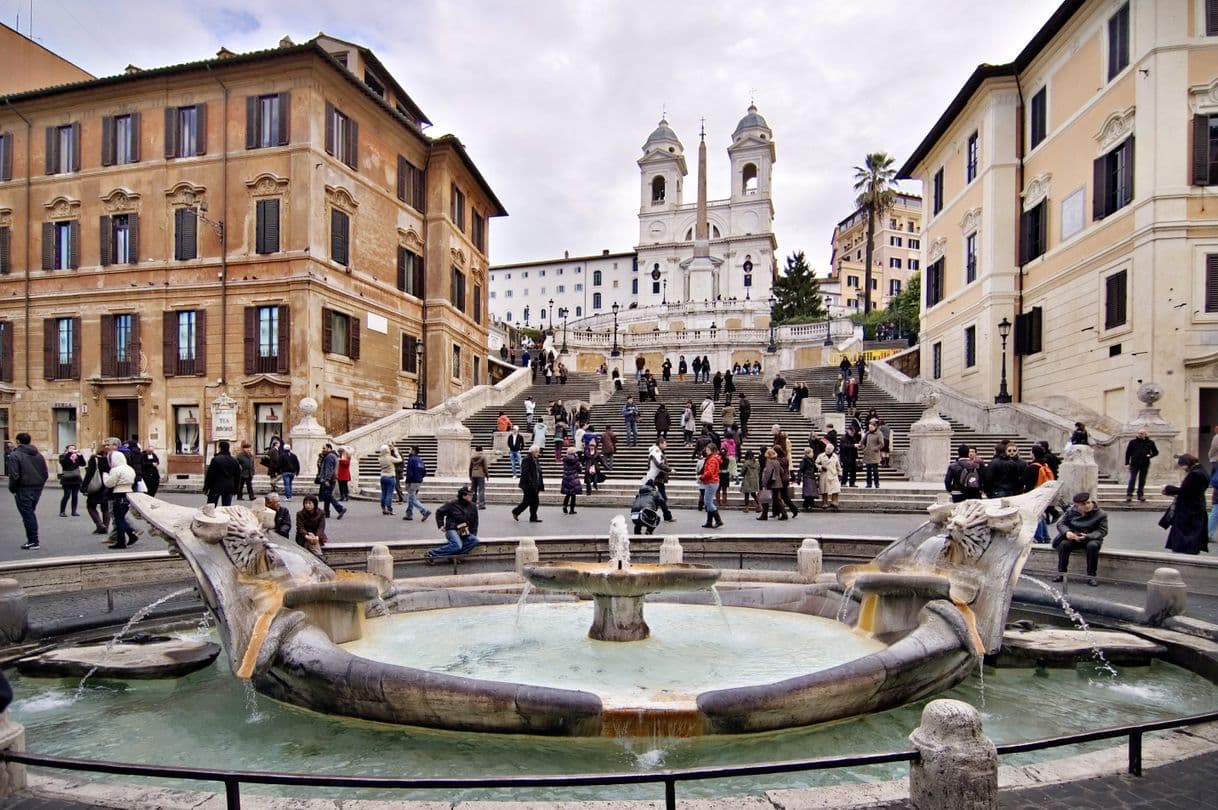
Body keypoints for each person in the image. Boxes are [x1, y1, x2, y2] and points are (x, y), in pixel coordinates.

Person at [1052, 492, 1107, 586]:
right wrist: (1067, 532)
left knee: (1092, 546)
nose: (1087, 506)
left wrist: (1088, 536)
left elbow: (1102, 531)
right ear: (1077, 505)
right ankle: (1061, 574)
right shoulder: (1071, 511)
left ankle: (1091, 576)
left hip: (1091, 539)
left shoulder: (1101, 514)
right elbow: (1061, 524)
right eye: (1083, 504)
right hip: (1074, 537)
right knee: (1064, 545)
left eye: (1089, 502)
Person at [7, 432, 49, 550]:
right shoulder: (38, 455)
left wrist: (13, 489)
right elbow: (45, 473)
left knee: (28, 514)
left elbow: (14, 475)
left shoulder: (15, 455)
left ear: (18, 441)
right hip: (37, 486)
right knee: (30, 512)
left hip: (23, 487)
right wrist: (40, 483)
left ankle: (33, 541)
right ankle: (33, 540)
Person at [1163, 454, 1210, 555]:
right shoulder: (1202, 471)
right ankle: (1189, 549)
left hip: (1189, 507)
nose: (1182, 468)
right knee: (1193, 530)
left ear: (1187, 463)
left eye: (1182, 465)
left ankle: (1185, 549)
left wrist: (1168, 488)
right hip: (1197, 504)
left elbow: (1185, 491)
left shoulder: (1195, 474)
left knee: (1186, 531)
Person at [101, 449, 140, 549]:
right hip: (129, 493)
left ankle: (121, 541)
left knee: (118, 519)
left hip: (119, 493)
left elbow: (109, 483)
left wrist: (105, 476)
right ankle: (131, 536)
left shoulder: (116, 470)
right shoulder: (130, 468)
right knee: (121, 518)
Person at [429, 486, 481, 561]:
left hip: (464, 530)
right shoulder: (452, 504)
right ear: (463, 495)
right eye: (470, 495)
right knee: (457, 545)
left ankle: (454, 556)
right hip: (452, 528)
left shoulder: (473, 506)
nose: (472, 496)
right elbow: (439, 512)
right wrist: (441, 525)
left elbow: (475, 522)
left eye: (472, 494)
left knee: (474, 540)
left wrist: (473, 533)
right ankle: (431, 554)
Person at [82, 438, 116, 535]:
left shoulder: (94, 459)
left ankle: (100, 525)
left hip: (96, 485)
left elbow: (89, 474)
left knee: (91, 506)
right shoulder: (111, 459)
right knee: (105, 507)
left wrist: (84, 487)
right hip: (107, 485)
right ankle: (105, 526)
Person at [1124, 429, 1159, 502]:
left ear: (1145, 434)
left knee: (1142, 480)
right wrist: (1127, 463)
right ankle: (1129, 494)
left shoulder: (1150, 442)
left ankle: (1140, 495)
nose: (1140, 434)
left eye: (1142, 433)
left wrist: (1150, 455)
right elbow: (1128, 453)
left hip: (1145, 463)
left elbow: (1156, 452)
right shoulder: (1132, 442)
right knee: (1132, 479)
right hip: (1134, 463)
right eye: (1139, 433)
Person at [203, 441, 241, 507]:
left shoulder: (215, 459)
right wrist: (236, 489)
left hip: (216, 486)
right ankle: (225, 517)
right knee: (226, 508)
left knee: (211, 507)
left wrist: (206, 488)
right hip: (229, 487)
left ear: (220, 448)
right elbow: (238, 476)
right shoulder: (234, 460)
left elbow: (210, 475)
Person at [512, 446, 545, 522]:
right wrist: (531, 482)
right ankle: (516, 511)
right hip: (528, 485)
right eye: (537, 452)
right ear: (533, 452)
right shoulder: (527, 459)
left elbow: (537, 471)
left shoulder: (535, 459)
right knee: (528, 501)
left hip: (535, 484)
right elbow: (525, 472)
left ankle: (533, 517)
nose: (538, 453)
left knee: (534, 502)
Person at [646, 438, 675, 522]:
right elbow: (659, 465)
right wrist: (670, 470)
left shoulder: (657, 451)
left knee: (661, 498)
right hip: (655, 479)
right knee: (661, 499)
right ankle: (664, 516)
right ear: (660, 443)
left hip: (657, 478)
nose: (666, 445)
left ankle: (665, 515)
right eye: (665, 443)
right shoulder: (656, 452)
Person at [316, 443, 347, 520]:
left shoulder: (329, 457)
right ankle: (326, 512)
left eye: (324, 448)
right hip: (332, 478)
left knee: (327, 494)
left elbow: (328, 469)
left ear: (329, 448)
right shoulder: (333, 456)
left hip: (329, 479)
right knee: (327, 496)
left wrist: (327, 479)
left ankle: (340, 508)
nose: (323, 450)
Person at [402, 446, 431, 521]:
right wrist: (419, 477)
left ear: (413, 451)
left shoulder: (411, 459)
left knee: (412, 498)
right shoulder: (420, 460)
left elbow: (409, 472)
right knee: (411, 497)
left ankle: (424, 511)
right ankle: (409, 514)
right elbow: (424, 472)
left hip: (412, 481)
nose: (409, 450)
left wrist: (407, 482)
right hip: (418, 481)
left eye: (410, 449)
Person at [758, 447, 786, 521]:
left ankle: (764, 515)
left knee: (766, 499)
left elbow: (768, 473)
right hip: (778, 482)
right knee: (778, 499)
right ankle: (784, 514)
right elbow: (782, 471)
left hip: (771, 483)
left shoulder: (769, 462)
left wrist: (764, 482)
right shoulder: (777, 461)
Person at [58, 444, 85, 517]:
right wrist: (69, 454)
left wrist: (80, 455)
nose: (73, 450)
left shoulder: (76, 457)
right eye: (71, 448)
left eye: (74, 448)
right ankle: (62, 511)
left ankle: (74, 511)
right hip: (67, 479)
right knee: (66, 495)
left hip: (76, 478)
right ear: (67, 449)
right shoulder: (63, 456)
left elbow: (83, 464)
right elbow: (64, 463)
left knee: (75, 496)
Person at [700, 443, 723, 528]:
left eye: (708, 450)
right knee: (709, 502)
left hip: (711, 482)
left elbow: (709, 472)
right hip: (712, 482)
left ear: (712, 450)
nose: (706, 451)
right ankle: (709, 522)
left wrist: (701, 477)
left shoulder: (712, 460)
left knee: (707, 502)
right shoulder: (712, 458)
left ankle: (718, 520)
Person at [816, 442, 843, 511]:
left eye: (829, 449)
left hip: (833, 474)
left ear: (832, 450)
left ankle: (834, 502)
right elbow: (816, 463)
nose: (828, 450)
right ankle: (825, 503)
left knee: (835, 489)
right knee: (824, 490)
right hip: (824, 474)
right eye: (827, 448)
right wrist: (821, 467)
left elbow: (838, 466)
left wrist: (840, 474)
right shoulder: (821, 456)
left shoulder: (835, 456)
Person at [862, 421, 886, 489]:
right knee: (868, 471)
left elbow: (882, 444)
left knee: (875, 471)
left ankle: (877, 483)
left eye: (871, 427)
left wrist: (875, 448)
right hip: (867, 454)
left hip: (875, 454)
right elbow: (862, 442)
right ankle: (868, 484)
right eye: (869, 427)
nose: (870, 428)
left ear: (875, 427)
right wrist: (864, 448)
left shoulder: (879, 433)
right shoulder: (867, 433)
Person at [378, 444, 401, 515]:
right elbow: (399, 460)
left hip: (383, 477)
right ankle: (389, 509)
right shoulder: (390, 458)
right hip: (390, 477)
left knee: (383, 493)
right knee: (389, 494)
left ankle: (383, 508)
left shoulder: (380, 458)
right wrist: (396, 452)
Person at [560, 446, 583, 515]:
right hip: (573, 478)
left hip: (566, 477)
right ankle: (571, 510)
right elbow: (579, 470)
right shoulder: (576, 460)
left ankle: (564, 506)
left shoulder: (565, 459)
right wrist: (580, 466)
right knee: (573, 494)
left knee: (568, 493)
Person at [468, 445, 489, 509]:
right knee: (481, 490)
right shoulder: (483, 457)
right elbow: (485, 467)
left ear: (475, 450)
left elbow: (470, 467)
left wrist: (470, 475)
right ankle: (481, 504)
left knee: (473, 490)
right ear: (482, 450)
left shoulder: (472, 457)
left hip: (473, 474)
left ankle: (472, 503)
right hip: (480, 474)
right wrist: (487, 475)